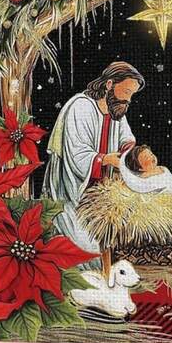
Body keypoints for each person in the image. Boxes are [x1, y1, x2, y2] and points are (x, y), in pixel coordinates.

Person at [42, 61, 144, 256]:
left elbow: (126, 138)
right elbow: (77, 155)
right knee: (87, 250)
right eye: (127, 92)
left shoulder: (117, 110)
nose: (129, 99)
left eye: (132, 94)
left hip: (100, 192)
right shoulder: (81, 107)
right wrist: (105, 160)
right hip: (72, 192)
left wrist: (131, 154)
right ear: (109, 84)